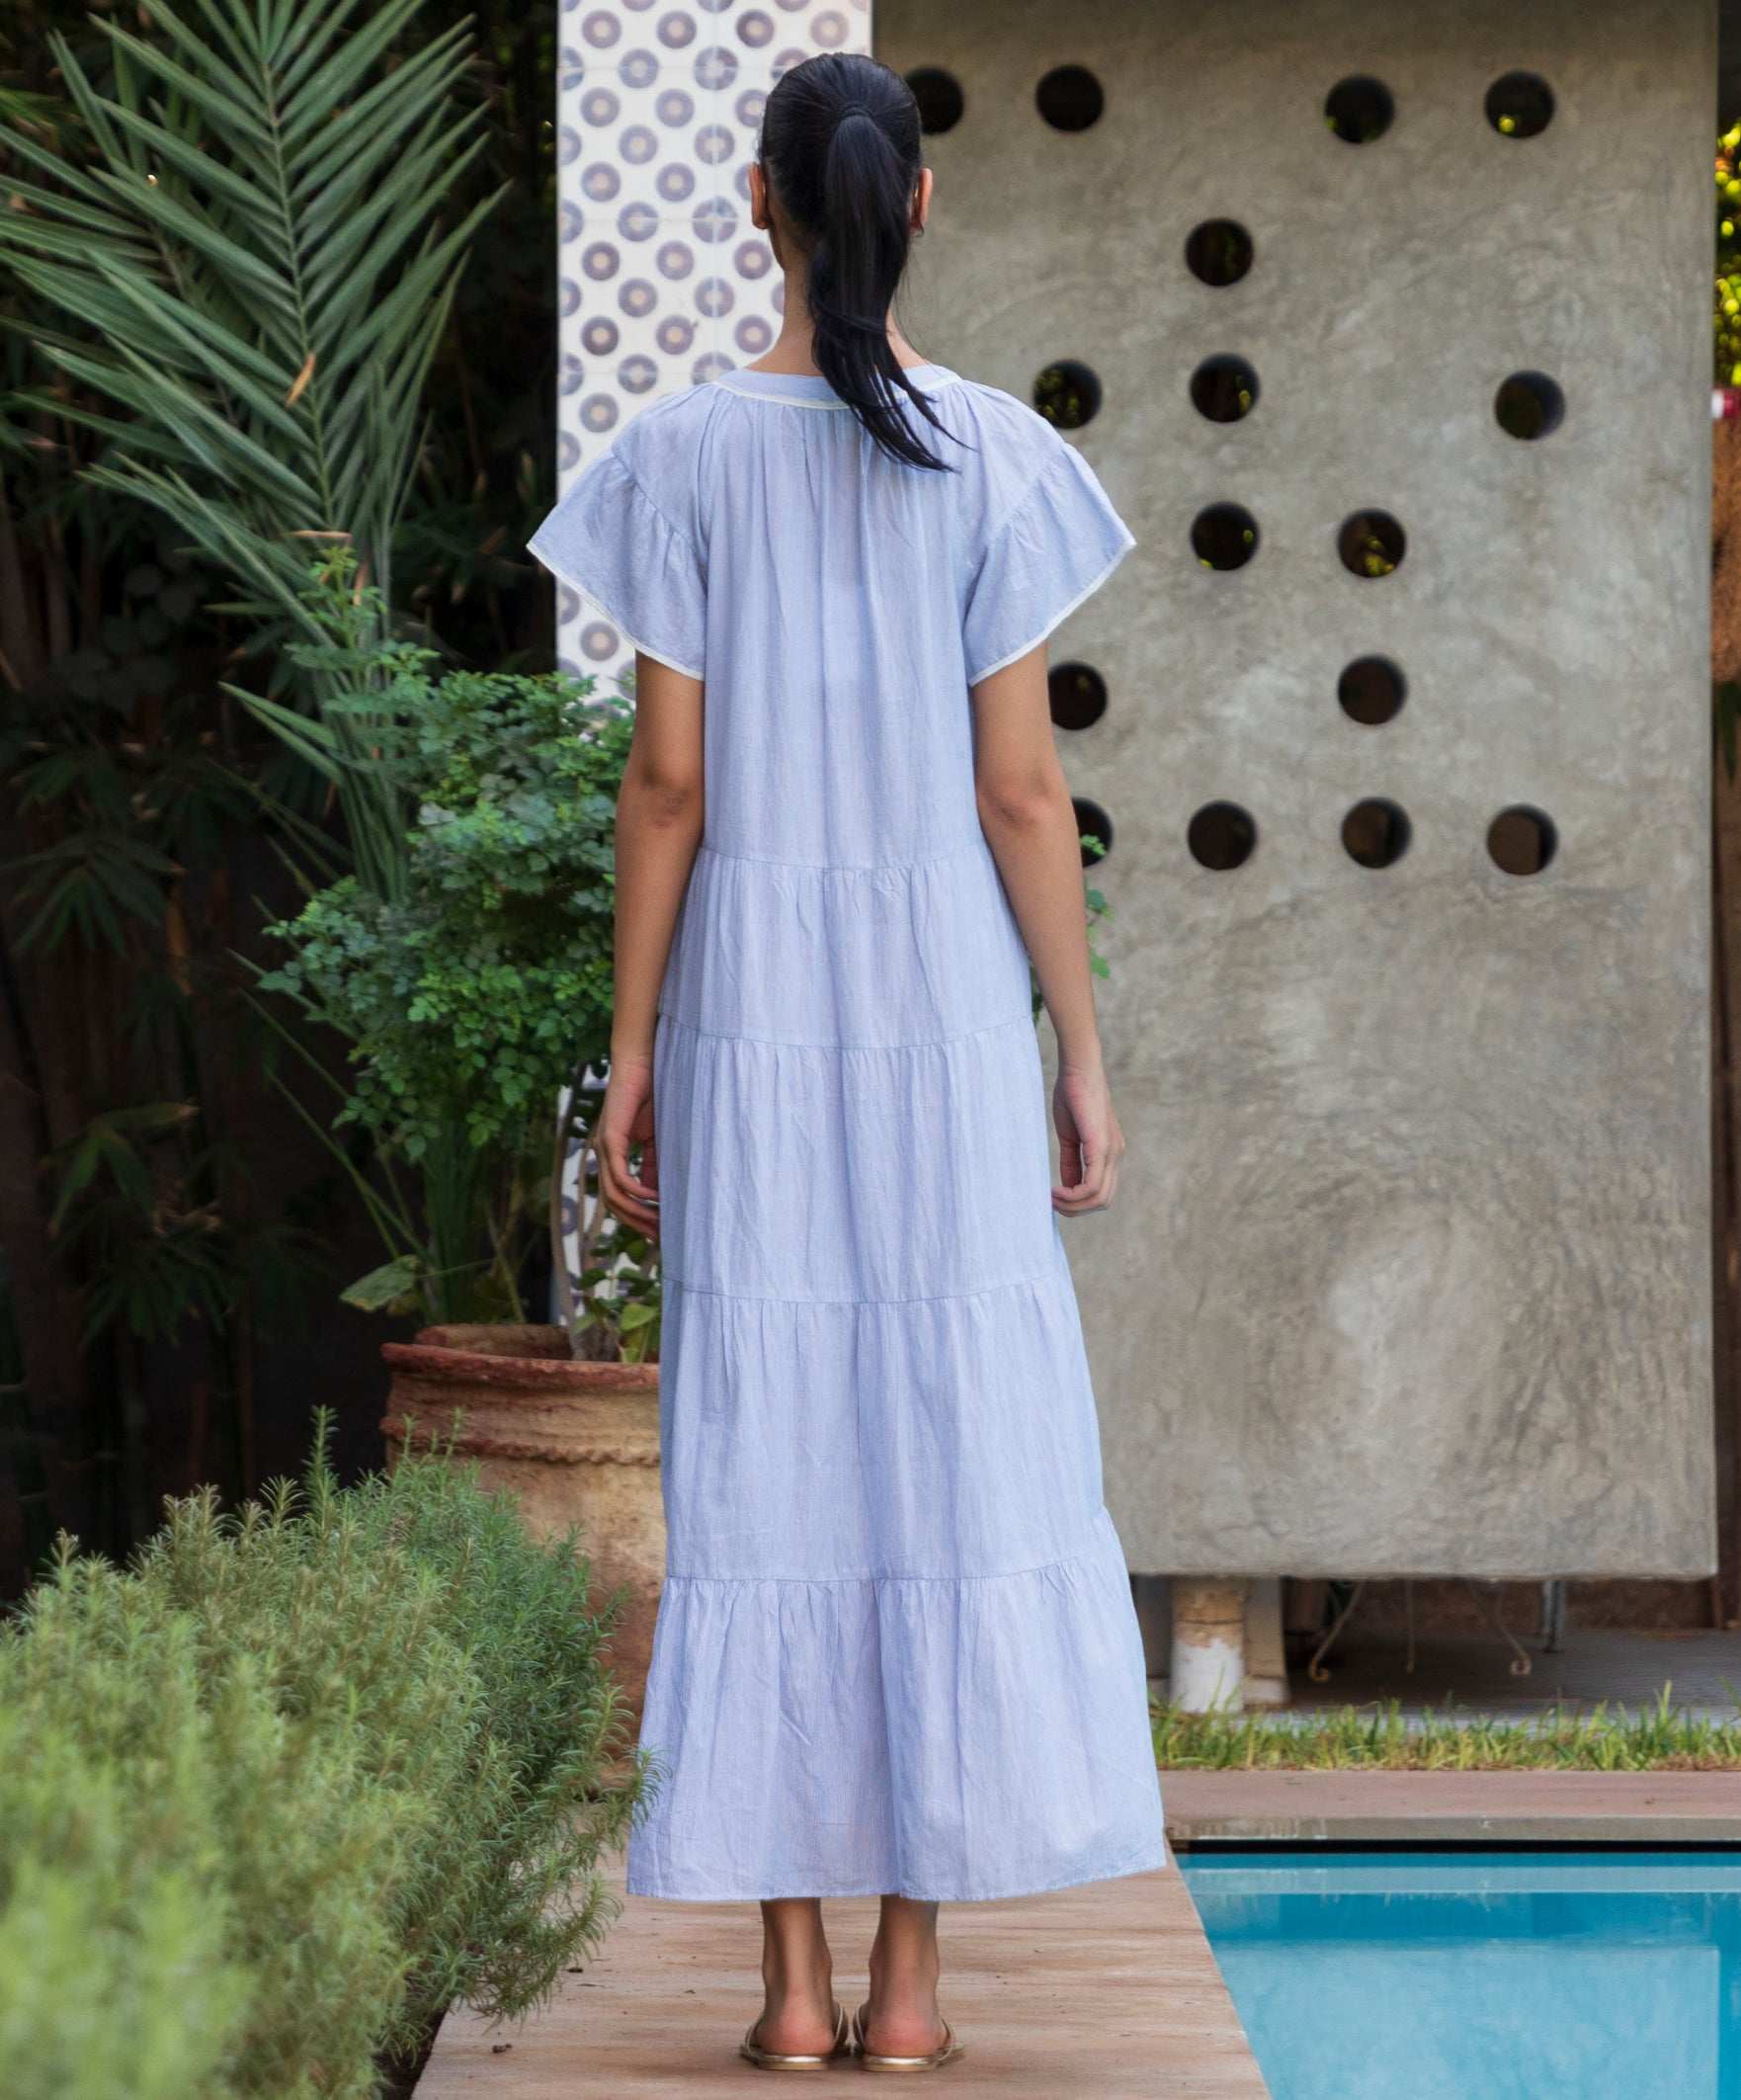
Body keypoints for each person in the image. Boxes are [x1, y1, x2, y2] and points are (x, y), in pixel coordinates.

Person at [530, 49, 1166, 2075]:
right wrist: (1078, 1045)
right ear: (919, 208)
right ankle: (908, 1988)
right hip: (944, 1022)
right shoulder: (992, 451)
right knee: (943, 1445)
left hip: (750, 1026)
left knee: (767, 1456)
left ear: (759, 204)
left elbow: (663, 786)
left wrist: (625, 1055)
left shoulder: (680, 458)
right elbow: (1019, 797)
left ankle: (786, 1991)